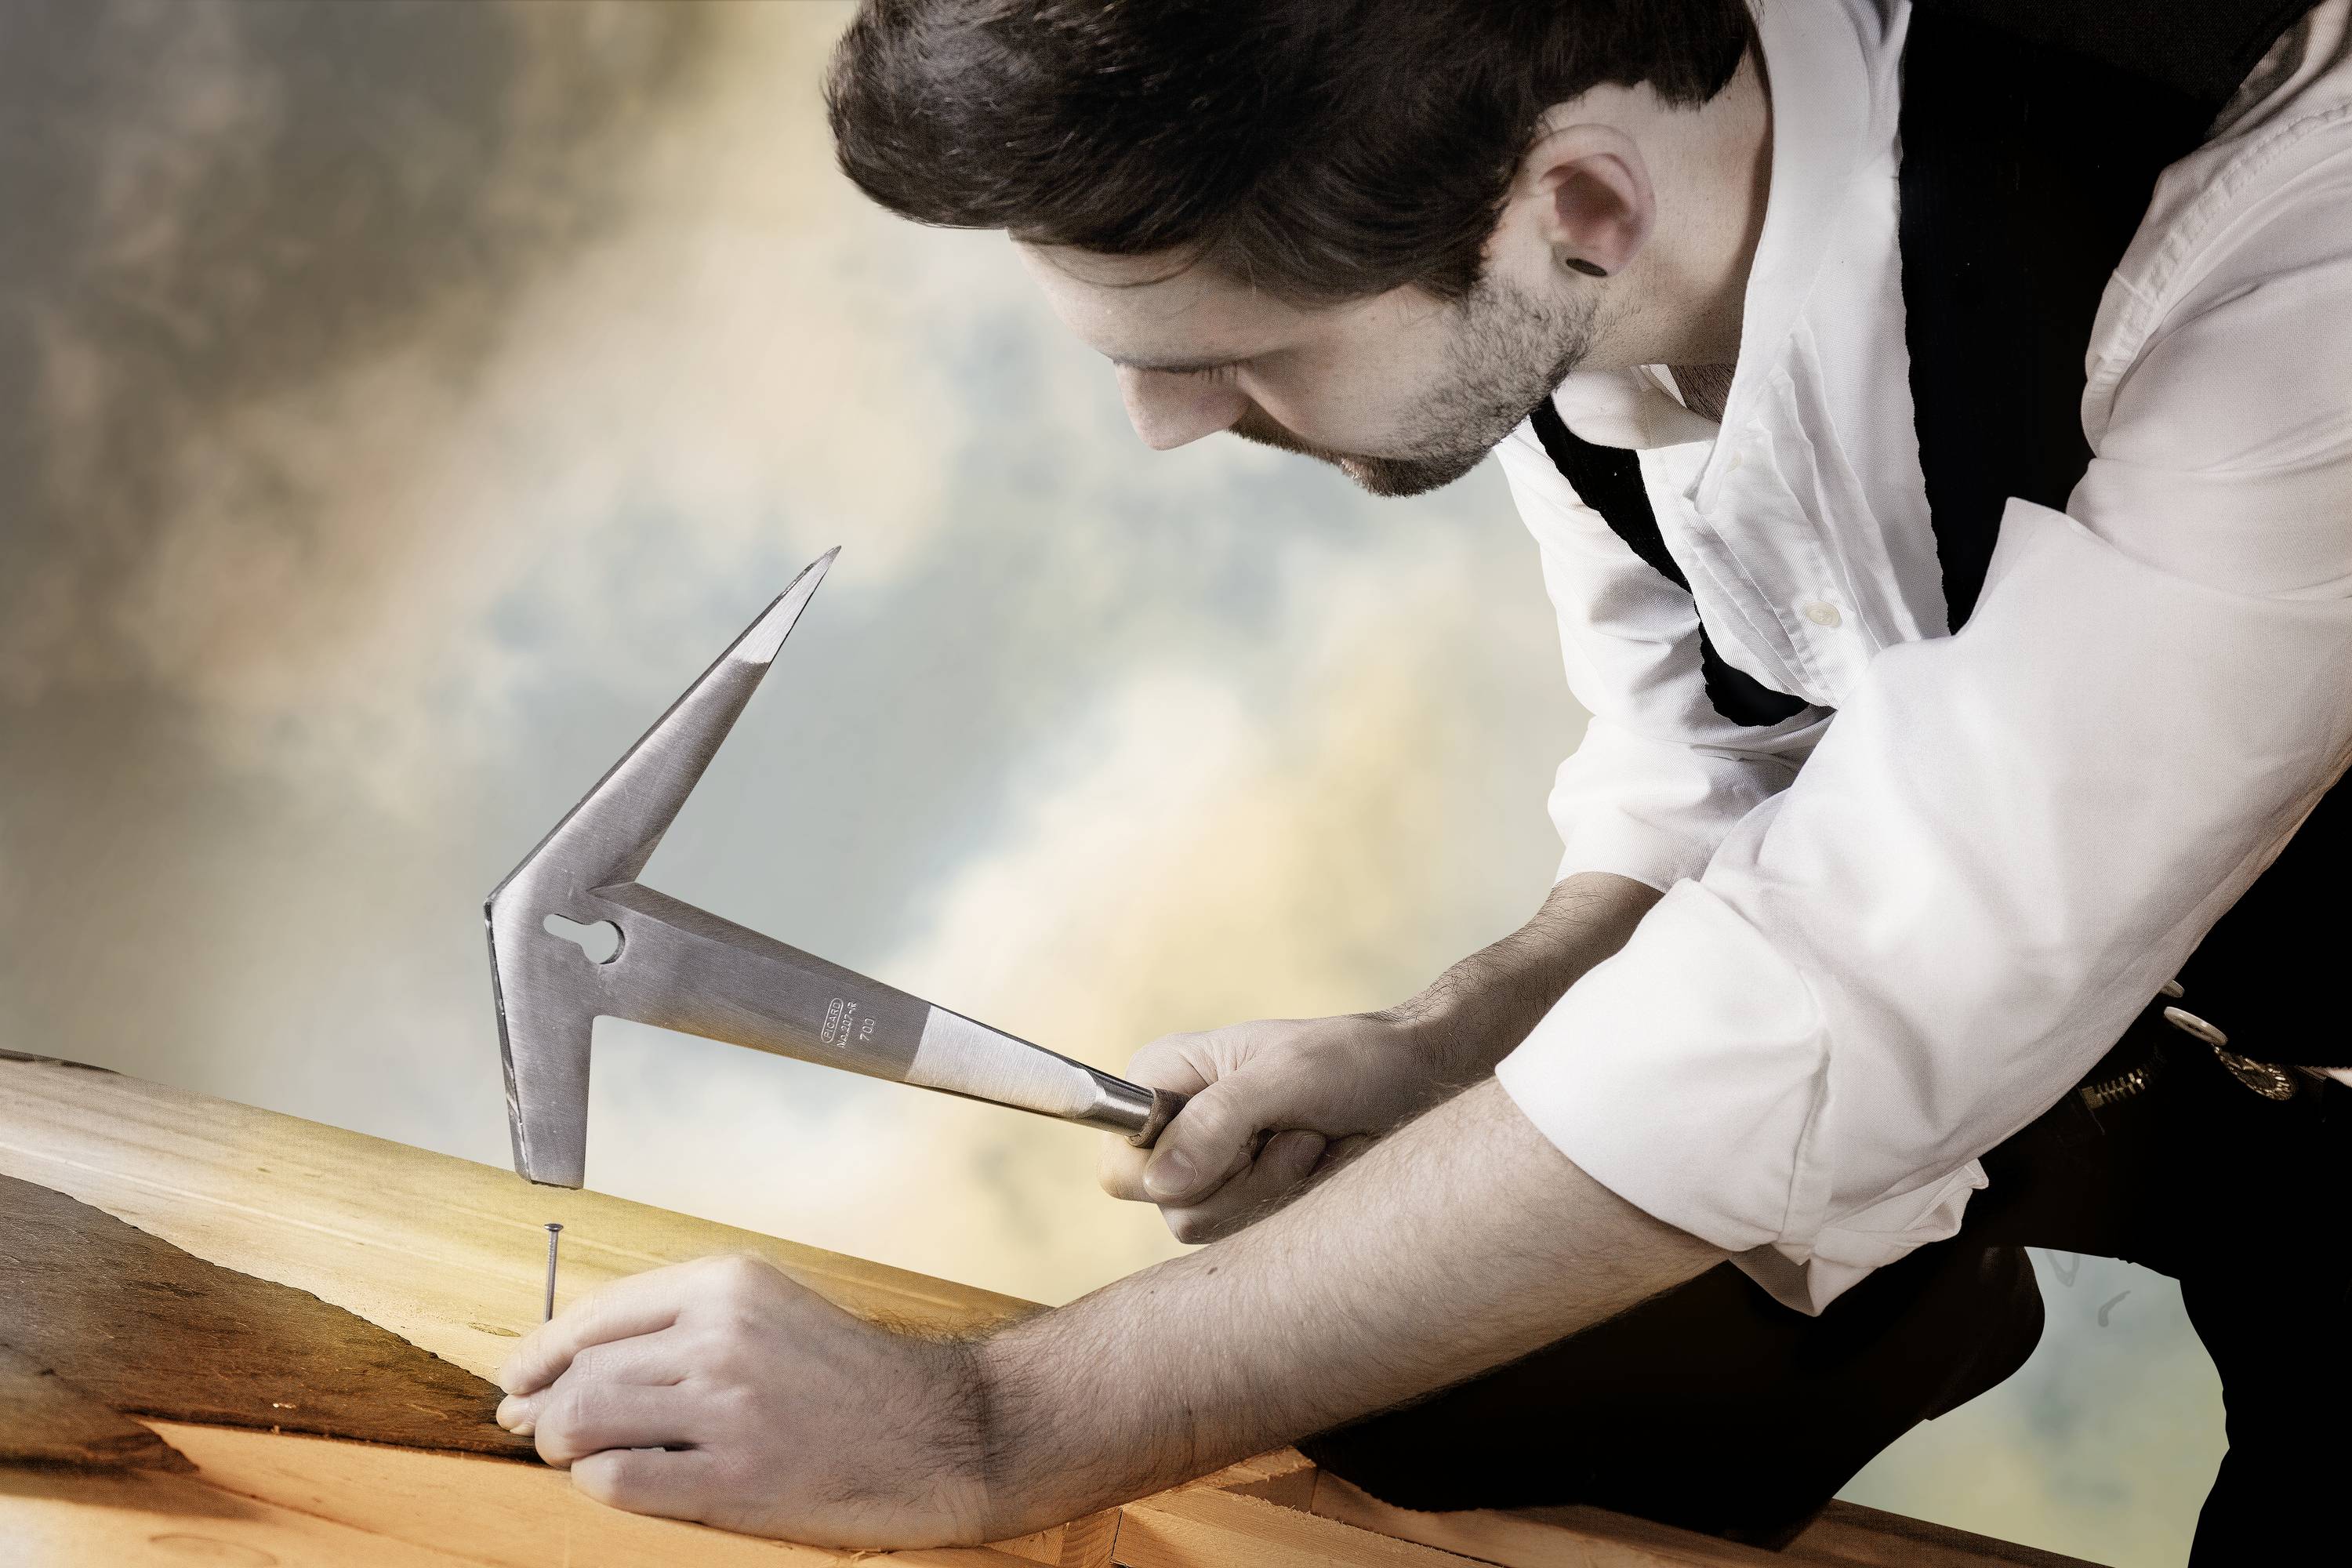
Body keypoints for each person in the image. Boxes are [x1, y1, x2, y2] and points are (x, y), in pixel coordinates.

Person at [487, 2, 2352, 1559]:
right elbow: (1715, 751)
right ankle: (1905, 1293)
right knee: (1382, 1435)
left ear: (1582, 205)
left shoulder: (2295, 226)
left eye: (1234, 356)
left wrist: (990, 1420)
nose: (1162, 423)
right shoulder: (1563, 221)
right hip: (2115, 1074)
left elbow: (1873, 982)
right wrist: (1456, 1031)